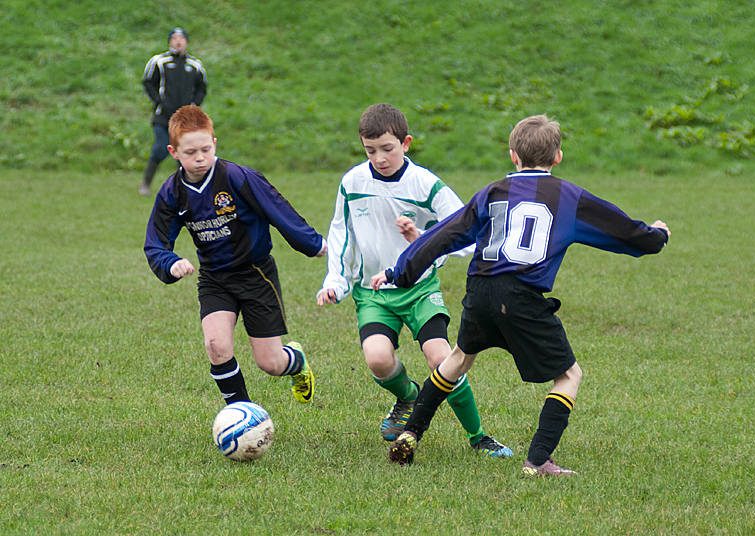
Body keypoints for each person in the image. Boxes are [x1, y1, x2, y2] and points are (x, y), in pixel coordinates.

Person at [371, 114, 671, 476]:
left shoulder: (492, 192)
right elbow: (623, 231)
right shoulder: (569, 197)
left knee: (457, 359)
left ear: (512, 155)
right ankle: (539, 460)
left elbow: (445, 234)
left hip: (480, 289)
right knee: (568, 376)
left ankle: (411, 433)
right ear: (557, 157)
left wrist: (399, 272)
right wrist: (656, 236)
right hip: (522, 295)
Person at [317, 103, 512, 458]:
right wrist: (336, 282)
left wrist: (421, 237)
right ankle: (407, 395)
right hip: (373, 293)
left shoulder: (425, 184)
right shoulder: (352, 182)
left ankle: (479, 436)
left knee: (441, 358)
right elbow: (341, 234)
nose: (379, 158)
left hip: (419, 288)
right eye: (370, 150)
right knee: (377, 358)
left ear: (406, 143)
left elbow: (467, 232)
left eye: (387, 148)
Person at [144, 105, 327, 409]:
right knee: (216, 347)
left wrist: (315, 244)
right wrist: (170, 262)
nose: (199, 157)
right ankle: (243, 414)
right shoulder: (172, 192)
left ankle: (296, 361)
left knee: (270, 363)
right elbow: (156, 244)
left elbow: (279, 212)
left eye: (205, 148)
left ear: (215, 141)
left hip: (256, 275)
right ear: (173, 152)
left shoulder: (238, 177)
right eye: (190, 152)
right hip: (214, 279)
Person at [139, 27, 207, 196]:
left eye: (182, 38)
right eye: (174, 38)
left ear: (186, 41)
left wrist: (194, 105)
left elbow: (202, 87)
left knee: (185, 154)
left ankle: (184, 190)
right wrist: (159, 101)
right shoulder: (159, 61)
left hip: (185, 119)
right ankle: (145, 184)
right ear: (170, 41)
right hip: (163, 116)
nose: (178, 41)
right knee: (161, 148)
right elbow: (148, 82)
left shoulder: (195, 65)